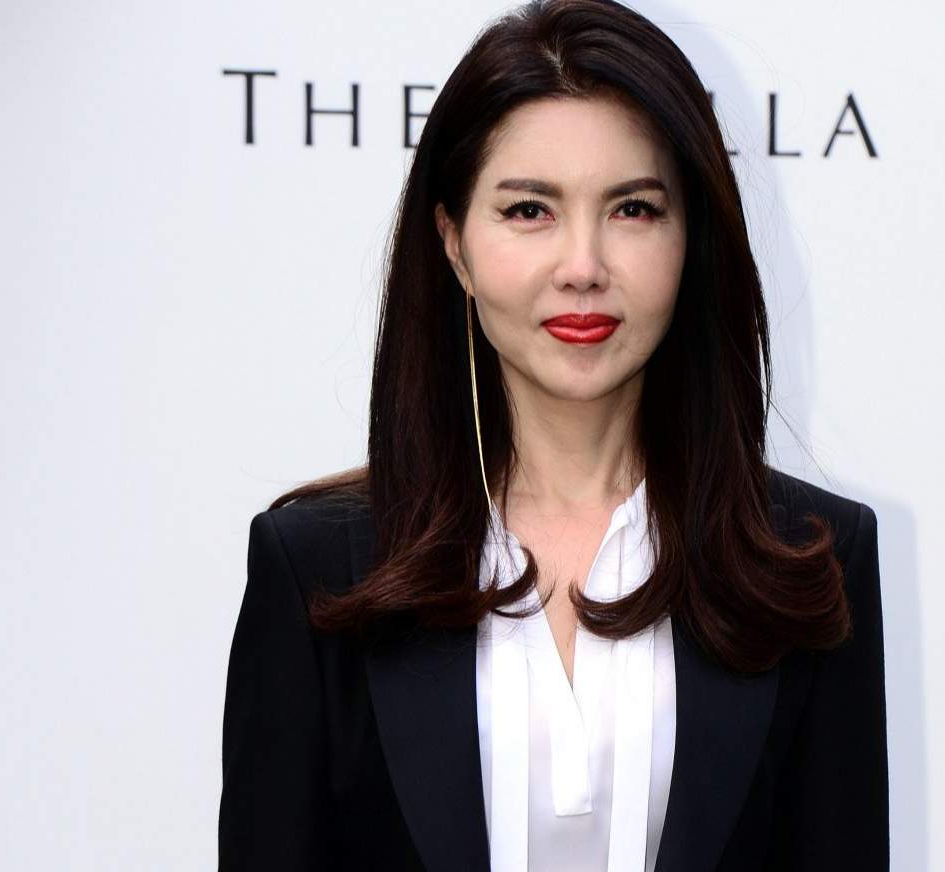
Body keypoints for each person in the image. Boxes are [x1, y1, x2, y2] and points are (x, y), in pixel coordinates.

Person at [218, 0, 888, 870]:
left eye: (633, 209)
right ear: (454, 243)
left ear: (691, 238)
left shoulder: (812, 556)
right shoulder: (318, 568)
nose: (583, 267)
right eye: (530, 209)